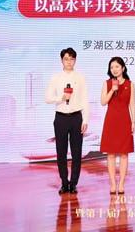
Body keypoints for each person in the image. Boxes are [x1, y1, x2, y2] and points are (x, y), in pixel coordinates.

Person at [45, 47, 89, 194]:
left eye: (71, 59)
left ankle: (73, 184)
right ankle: (64, 183)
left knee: (77, 153)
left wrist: (85, 119)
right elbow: (47, 98)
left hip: (76, 117)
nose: (69, 62)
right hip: (61, 118)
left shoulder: (80, 77)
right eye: (66, 59)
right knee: (61, 152)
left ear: (75, 60)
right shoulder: (56, 78)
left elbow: (85, 99)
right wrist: (62, 98)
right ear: (61, 60)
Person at [100, 56, 135, 195]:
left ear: (123, 68)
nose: (114, 69)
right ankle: (113, 184)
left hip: (124, 121)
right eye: (111, 67)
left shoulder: (130, 84)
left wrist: (134, 121)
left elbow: (132, 104)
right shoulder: (107, 83)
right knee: (110, 154)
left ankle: (121, 184)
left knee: (124, 154)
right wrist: (112, 90)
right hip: (111, 121)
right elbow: (103, 102)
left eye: (117, 66)